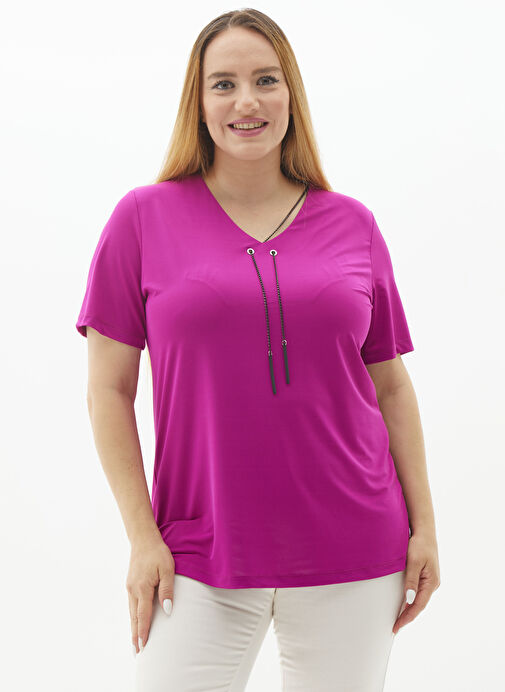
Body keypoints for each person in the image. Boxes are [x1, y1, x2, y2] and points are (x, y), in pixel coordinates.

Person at [75, 8, 441, 691]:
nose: (246, 101)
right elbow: (108, 390)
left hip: (355, 546)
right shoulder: (141, 219)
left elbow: (389, 383)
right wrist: (141, 537)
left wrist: (424, 527)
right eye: (224, 84)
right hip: (198, 552)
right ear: (198, 102)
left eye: (266, 80)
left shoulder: (353, 223)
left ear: (290, 95)